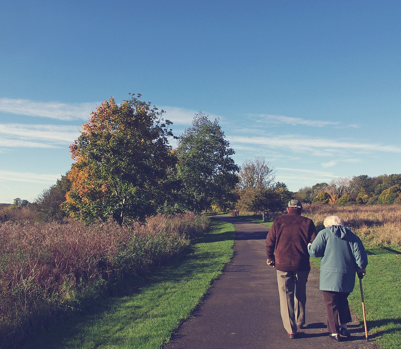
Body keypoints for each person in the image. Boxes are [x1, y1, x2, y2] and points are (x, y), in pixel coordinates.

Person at [308, 215, 368, 342]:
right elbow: (359, 254)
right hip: (347, 275)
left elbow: (314, 252)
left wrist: (309, 246)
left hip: (329, 275)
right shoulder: (352, 235)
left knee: (331, 303)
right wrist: (361, 268)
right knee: (343, 300)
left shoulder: (324, 233)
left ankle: (334, 331)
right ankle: (344, 326)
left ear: (327, 225)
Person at [266, 199, 317, 339]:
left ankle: (291, 329)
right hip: (302, 264)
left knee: (285, 296)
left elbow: (270, 241)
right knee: (300, 292)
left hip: (282, 263)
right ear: (300, 209)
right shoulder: (308, 222)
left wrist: (270, 257)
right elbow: (315, 242)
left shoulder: (278, 221)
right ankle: (300, 320)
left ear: (288, 209)